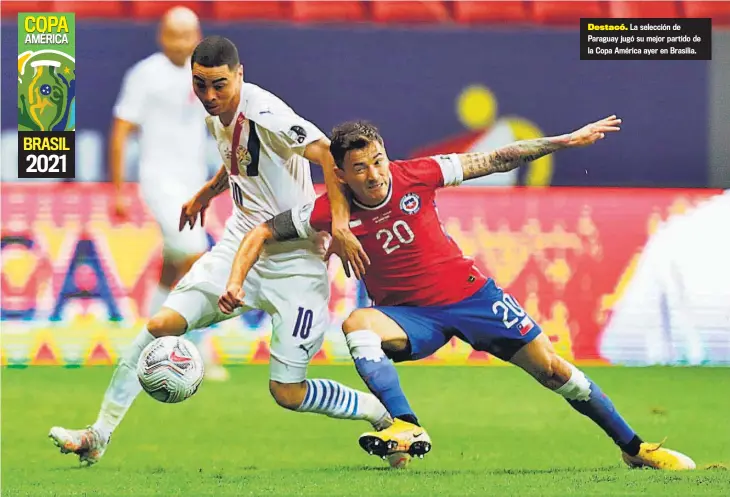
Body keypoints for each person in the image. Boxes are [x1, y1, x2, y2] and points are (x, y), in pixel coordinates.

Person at [219, 118, 696, 471]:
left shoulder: (418, 175)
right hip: (409, 317)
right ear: (341, 174)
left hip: (472, 298)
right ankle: (406, 424)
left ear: (388, 155)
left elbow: (494, 158)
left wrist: (564, 141)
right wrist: (235, 283)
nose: (374, 174)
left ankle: (635, 449)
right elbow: (261, 231)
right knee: (357, 327)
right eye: (360, 167)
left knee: (552, 370)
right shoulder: (326, 212)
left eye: (378, 160)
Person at [48, 36, 385, 466]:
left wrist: (338, 224)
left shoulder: (266, 112)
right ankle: (99, 434)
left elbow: (328, 155)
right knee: (160, 324)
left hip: (297, 260)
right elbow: (239, 162)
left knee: (288, 391)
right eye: (200, 84)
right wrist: (207, 193)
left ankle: (378, 413)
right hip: (238, 242)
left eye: (219, 85)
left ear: (240, 75)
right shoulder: (217, 114)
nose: (209, 95)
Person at [106, 6, 227, 380]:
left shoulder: (207, 75)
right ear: (162, 36)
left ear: (197, 36)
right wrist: (119, 190)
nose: (180, 42)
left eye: (186, 35)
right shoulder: (146, 75)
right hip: (158, 181)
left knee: (174, 262)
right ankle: (199, 350)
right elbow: (122, 130)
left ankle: (145, 334)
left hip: (194, 181)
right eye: (173, 35)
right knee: (195, 257)